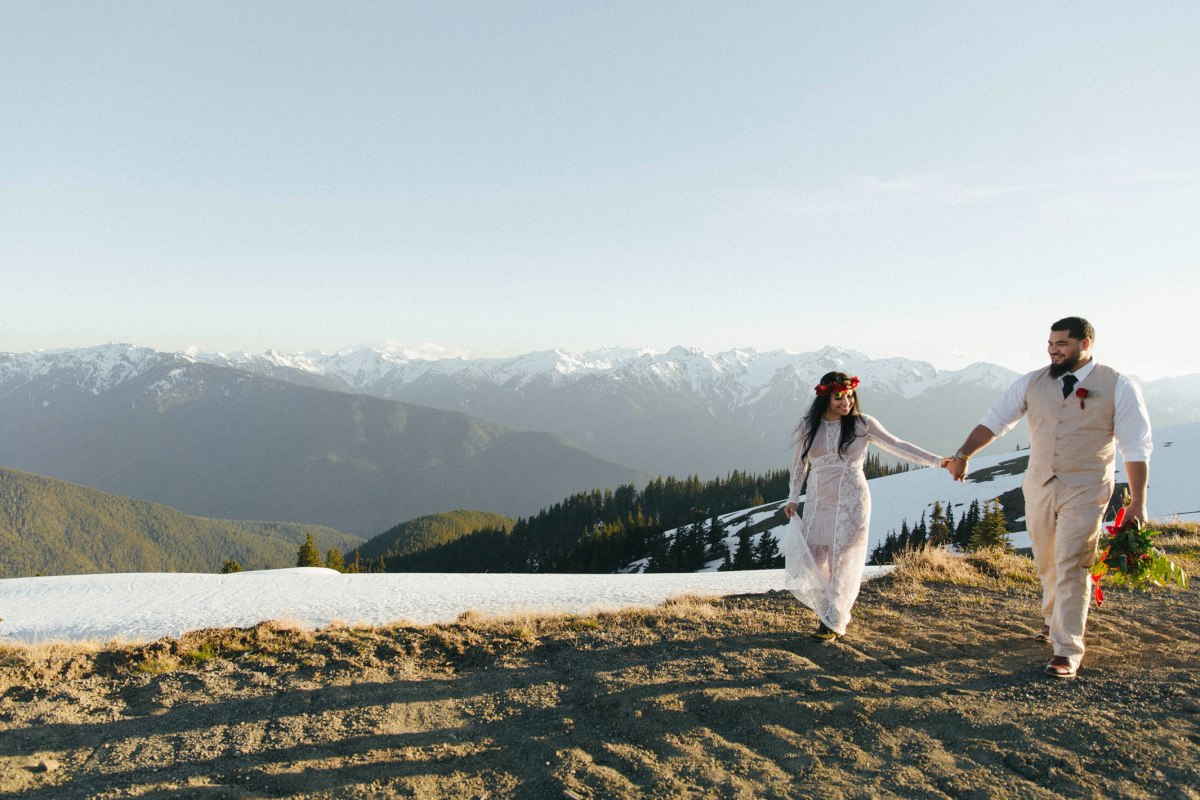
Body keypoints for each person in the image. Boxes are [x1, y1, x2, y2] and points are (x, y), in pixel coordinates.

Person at [946, 316, 1152, 678]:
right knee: (1047, 559)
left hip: (1087, 487)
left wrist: (1137, 501)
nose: (1053, 350)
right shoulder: (1032, 382)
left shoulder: (1118, 385)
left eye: (1062, 344)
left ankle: (1067, 649)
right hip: (1039, 483)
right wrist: (964, 454)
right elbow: (996, 420)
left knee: (1073, 561)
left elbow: (1135, 446)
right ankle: (1052, 618)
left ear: (1085, 344)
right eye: (1051, 343)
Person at [783, 371, 949, 641]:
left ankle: (834, 618)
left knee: (843, 558)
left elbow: (899, 445)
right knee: (816, 556)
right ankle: (827, 608)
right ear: (825, 397)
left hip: (852, 499)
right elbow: (799, 464)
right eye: (839, 397)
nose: (846, 402)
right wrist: (792, 497)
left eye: (850, 396)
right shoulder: (808, 427)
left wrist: (938, 461)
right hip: (818, 500)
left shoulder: (863, 424)